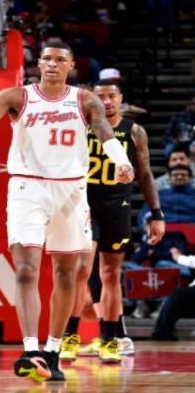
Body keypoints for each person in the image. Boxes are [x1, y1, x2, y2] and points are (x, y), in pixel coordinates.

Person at [0, 41, 134, 383]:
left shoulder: (84, 99)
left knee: (67, 273)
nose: (52, 64)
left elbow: (104, 131)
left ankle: (53, 350)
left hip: (71, 192)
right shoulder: (17, 96)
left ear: (71, 66)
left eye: (60, 59)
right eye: (47, 58)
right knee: (26, 269)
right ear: (39, 63)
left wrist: (122, 162)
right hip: (27, 188)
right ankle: (30, 349)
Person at [59, 79, 165, 364]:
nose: (106, 101)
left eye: (111, 96)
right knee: (81, 270)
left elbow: (145, 175)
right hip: (85, 205)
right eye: (101, 96)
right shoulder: (80, 126)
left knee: (110, 274)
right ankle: (69, 335)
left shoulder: (134, 131)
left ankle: (109, 340)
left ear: (121, 99)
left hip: (117, 208)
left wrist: (156, 214)